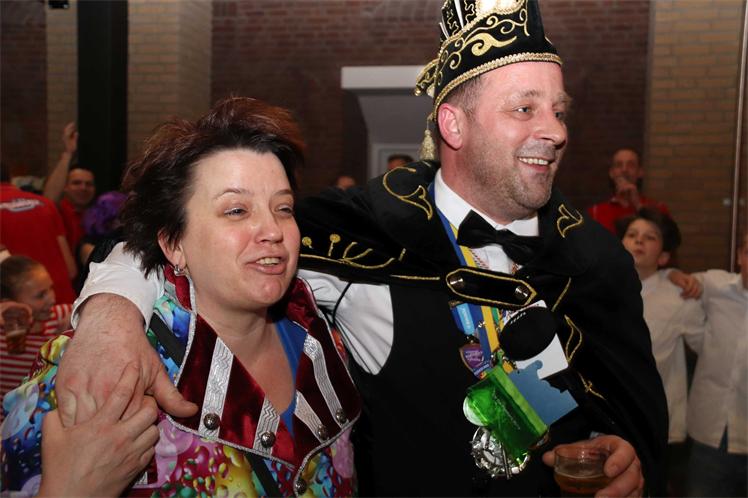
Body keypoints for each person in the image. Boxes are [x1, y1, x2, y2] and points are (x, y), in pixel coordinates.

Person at [57, 1, 665, 496]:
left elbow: (631, 423)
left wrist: (625, 460)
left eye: (558, 111)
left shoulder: (597, 262)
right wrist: (111, 315)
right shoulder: (364, 228)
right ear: (453, 125)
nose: (554, 130)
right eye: (524, 108)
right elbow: (165, 236)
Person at [1, 98, 360, 497]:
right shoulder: (96, 365)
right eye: (236, 210)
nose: (273, 230)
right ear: (174, 244)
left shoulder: (324, 339)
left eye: (284, 207)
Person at [617, 209, 705, 496]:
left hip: (654, 421)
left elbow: (708, 348)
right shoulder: (604, 288)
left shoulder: (678, 297)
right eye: (632, 235)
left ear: (664, 256)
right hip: (609, 415)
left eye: (650, 237)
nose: (638, 241)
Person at [685, 233, 747, 497]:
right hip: (710, 432)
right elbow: (684, 281)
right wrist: (676, 275)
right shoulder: (717, 284)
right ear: (740, 256)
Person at [0, 256, 72, 409]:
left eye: (51, 288)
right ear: (8, 302)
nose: (52, 299)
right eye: (40, 295)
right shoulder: (4, 336)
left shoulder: (61, 316)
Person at [0, 164, 77, 303]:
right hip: (65, 305)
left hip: (22, 310)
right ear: (10, 177)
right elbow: (71, 270)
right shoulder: (46, 203)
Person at [42, 122, 97, 253]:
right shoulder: (60, 211)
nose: (83, 188)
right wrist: (68, 153)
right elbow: (48, 200)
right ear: (65, 187)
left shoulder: (98, 213)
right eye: (76, 183)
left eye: (89, 184)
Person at [588, 148, 670, 234]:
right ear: (611, 173)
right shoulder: (595, 212)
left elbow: (668, 237)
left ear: (640, 172)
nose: (624, 170)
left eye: (631, 165)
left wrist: (638, 205)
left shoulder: (659, 208)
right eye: (619, 165)